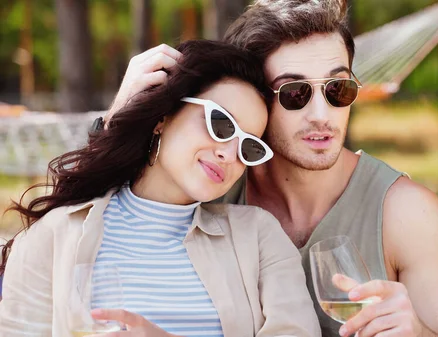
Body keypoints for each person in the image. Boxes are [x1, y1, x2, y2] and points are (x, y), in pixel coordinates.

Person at [101, 1, 438, 336]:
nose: (322, 115)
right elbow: (93, 224)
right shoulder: (211, 185)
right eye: (294, 93)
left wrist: (418, 333)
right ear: (254, 99)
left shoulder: (409, 217)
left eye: (338, 89)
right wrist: (121, 116)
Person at [0, 40, 320, 337]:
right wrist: (115, 119)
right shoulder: (55, 236)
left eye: (249, 147)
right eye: (220, 124)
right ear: (163, 117)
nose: (229, 153)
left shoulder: (259, 237)